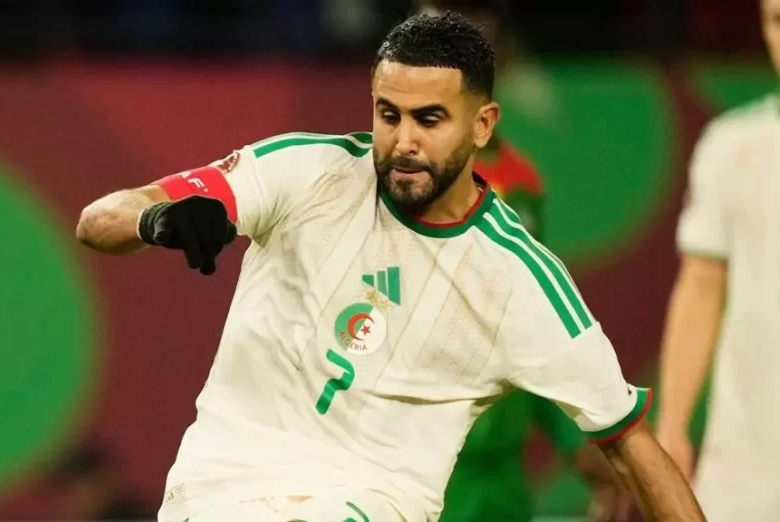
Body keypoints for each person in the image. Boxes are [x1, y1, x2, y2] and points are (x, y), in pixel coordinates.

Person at [77, 12, 704, 522]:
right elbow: (98, 219)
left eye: (429, 119)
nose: (404, 141)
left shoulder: (518, 279)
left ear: (483, 125)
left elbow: (628, 443)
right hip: (217, 494)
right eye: (389, 115)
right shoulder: (304, 172)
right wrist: (158, 220)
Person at [412, 3, 629, 521]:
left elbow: (533, 325)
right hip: (421, 461)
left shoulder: (521, 182)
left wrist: (575, 440)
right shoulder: (404, 177)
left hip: (502, 468)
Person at [655, 0, 780, 520]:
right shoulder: (731, 146)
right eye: (777, 21)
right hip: (746, 469)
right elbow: (701, 287)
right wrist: (672, 426)